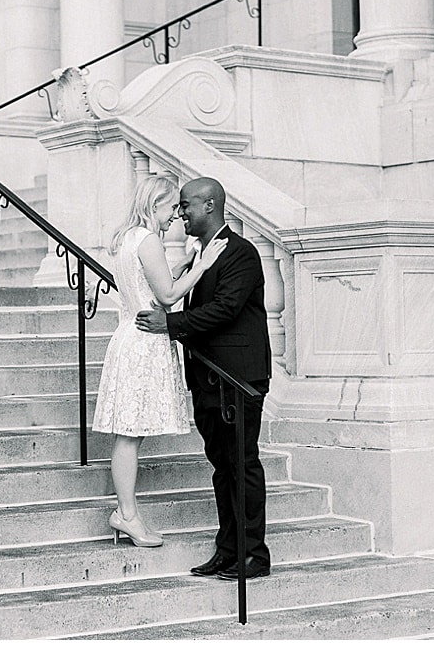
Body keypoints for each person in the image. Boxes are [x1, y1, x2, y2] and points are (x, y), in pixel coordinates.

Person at [136, 177, 272, 580]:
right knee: (221, 467)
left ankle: (254, 556)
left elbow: (226, 310)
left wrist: (169, 324)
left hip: (238, 381)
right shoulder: (201, 255)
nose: (180, 215)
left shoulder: (241, 253)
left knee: (242, 465)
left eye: (186, 207)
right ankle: (228, 550)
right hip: (209, 380)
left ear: (209, 205)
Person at [92, 175, 227, 548]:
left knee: (128, 433)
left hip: (128, 337)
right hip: (143, 342)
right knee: (129, 434)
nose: (176, 216)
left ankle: (128, 513)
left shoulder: (127, 238)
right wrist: (201, 266)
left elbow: (148, 280)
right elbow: (166, 295)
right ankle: (126, 515)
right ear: (155, 205)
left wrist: (184, 262)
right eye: (171, 208)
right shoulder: (148, 239)